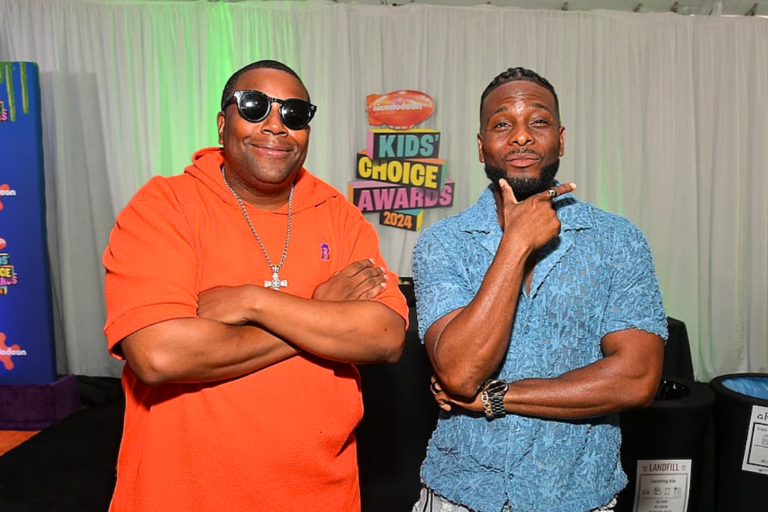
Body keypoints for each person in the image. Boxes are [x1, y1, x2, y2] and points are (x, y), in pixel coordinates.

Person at [103, 60, 408, 512]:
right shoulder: (166, 206)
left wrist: (254, 302)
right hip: (182, 494)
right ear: (224, 122)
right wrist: (318, 311)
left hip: (320, 494)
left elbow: (384, 337)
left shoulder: (337, 214)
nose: (276, 125)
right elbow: (159, 354)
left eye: (295, 114)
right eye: (255, 105)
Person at [410, 67, 667, 512]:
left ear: (561, 140)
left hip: (578, 497)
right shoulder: (443, 242)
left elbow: (637, 378)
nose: (521, 137)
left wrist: (496, 396)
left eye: (539, 121)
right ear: (480, 146)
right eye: (502, 123)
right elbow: (459, 371)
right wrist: (515, 243)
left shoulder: (617, 239)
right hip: (460, 495)